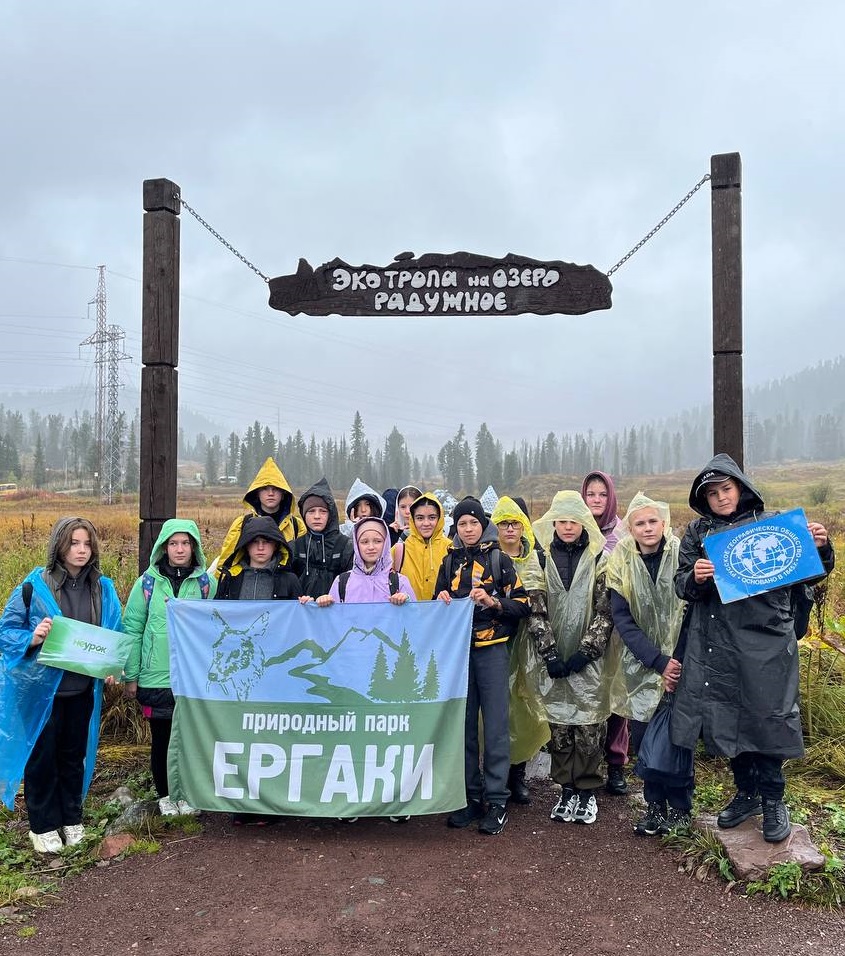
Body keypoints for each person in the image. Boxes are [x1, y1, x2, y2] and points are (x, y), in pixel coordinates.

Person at [671, 453, 834, 844]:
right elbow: (681, 584)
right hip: (717, 642)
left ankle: (774, 799)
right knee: (729, 717)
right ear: (704, 499)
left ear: (740, 487)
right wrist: (696, 577)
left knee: (768, 717)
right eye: (712, 493)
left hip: (767, 639)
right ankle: (747, 794)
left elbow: (812, 572)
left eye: (726, 489)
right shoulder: (697, 532)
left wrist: (821, 548)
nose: (721, 498)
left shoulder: (773, 525)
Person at [0, 517, 123, 853]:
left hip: (81, 690)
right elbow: (6, 632)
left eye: (87, 544)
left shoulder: (102, 588)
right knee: (41, 758)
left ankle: (71, 818)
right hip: (41, 695)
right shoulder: (33, 586)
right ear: (59, 545)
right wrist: (32, 637)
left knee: (72, 756)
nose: (81, 550)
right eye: (74, 543)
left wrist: (113, 666)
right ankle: (42, 826)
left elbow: (114, 633)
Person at [435, 497, 529, 836]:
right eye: (462, 524)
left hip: (492, 652)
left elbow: (523, 605)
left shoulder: (500, 560)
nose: (468, 529)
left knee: (495, 726)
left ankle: (498, 799)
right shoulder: (449, 562)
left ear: (483, 525)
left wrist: (493, 602)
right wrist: (441, 601)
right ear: (456, 528)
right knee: (464, 727)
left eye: (473, 522)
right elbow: (436, 605)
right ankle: (470, 797)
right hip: (459, 655)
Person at [528, 491, 613, 826]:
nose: (567, 527)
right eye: (561, 521)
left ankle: (587, 791)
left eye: (573, 521)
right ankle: (566, 789)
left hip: (589, 662)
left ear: (584, 523)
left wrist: (586, 652)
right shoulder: (541, 559)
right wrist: (549, 653)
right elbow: (536, 610)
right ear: (553, 523)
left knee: (590, 726)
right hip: (553, 661)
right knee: (560, 727)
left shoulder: (599, 559)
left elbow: (606, 612)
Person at [605, 493, 688, 835]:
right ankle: (654, 806)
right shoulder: (621, 561)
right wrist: (657, 660)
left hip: (680, 665)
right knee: (644, 739)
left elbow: (690, 611)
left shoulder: (681, 555)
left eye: (653, 521)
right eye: (640, 523)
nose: (648, 528)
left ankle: (680, 809)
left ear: (664, 523)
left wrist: (675, 661)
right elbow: (622, 619)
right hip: (640, 664)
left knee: (678, 740)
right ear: (630, 528)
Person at [123, 519, 216, 817]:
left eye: (185, 543)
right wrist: (131, 675)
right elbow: (132, 629)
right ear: (164, 547)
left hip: (193, 678)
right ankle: (165, 795)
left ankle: (186, 793)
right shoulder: (146, 584)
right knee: (162, 739)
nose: (179, 549)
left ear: (194, 547)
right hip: (156, 677)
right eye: (173, 543)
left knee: (190, 739)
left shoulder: (206, 585)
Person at [217, 515, 302, 825]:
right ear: (246, 546)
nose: (261, 547)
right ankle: (241, 802)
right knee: (239, 735)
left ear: (277, 545)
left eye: (267, 541)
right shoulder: (231, 580)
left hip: (273, 672)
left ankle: (270, 803)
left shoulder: (289, 580)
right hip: (239, 676)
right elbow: (215, 620)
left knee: (270, 736)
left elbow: (300, 624)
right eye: (255, 542)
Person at [490, 495, 552, 807]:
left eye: (515, 523)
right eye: (503, 524)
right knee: (496, 710)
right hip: (496, 642)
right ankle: (496, 775)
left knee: (525, 710)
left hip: (528, 643)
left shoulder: (536, 558)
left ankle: (518, 774)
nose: (510, 529)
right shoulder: (488, 558)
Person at [581, 470, 629, 797]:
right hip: (584, 627)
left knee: (615, 696)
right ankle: (588, 762)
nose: (596, 500)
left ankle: (616, 764)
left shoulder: (622, 533)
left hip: (616, 630)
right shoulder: (575, 529)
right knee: (588, 692)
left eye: (602, 494)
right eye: (590, 494)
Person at [214, 458, 306, 571]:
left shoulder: (297, 526)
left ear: (283, 494)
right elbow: (226, 563)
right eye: (265, 489)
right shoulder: (242, 524)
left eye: (276, 489)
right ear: (257, 493)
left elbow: (304, 565)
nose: (270, 493)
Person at [313, 517, 416, 607]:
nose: (371, 547)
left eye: (378, 541)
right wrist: (325, 603)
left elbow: (414, 617)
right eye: (364, 542)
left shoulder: (399, 581)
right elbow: (333, 619)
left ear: (386, 543)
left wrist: (406, 602)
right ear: (356, 545)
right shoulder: (341, 582)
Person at [290, 478, 354, 599]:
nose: (317, 516)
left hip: (336, 608)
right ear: (304, 515)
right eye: (311, 511)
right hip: (302, 608)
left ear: (331, 514)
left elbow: (351, 586)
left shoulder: (346, 546)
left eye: (323, 511)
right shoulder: (295, 547)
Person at [391, 492, 452, 601]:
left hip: (442, 612)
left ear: (439, 519)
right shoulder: (398, 551)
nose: (426, 523)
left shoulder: (451, 549)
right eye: (420, 518)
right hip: (408, 612)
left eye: (432, 517)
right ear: (413, 520)